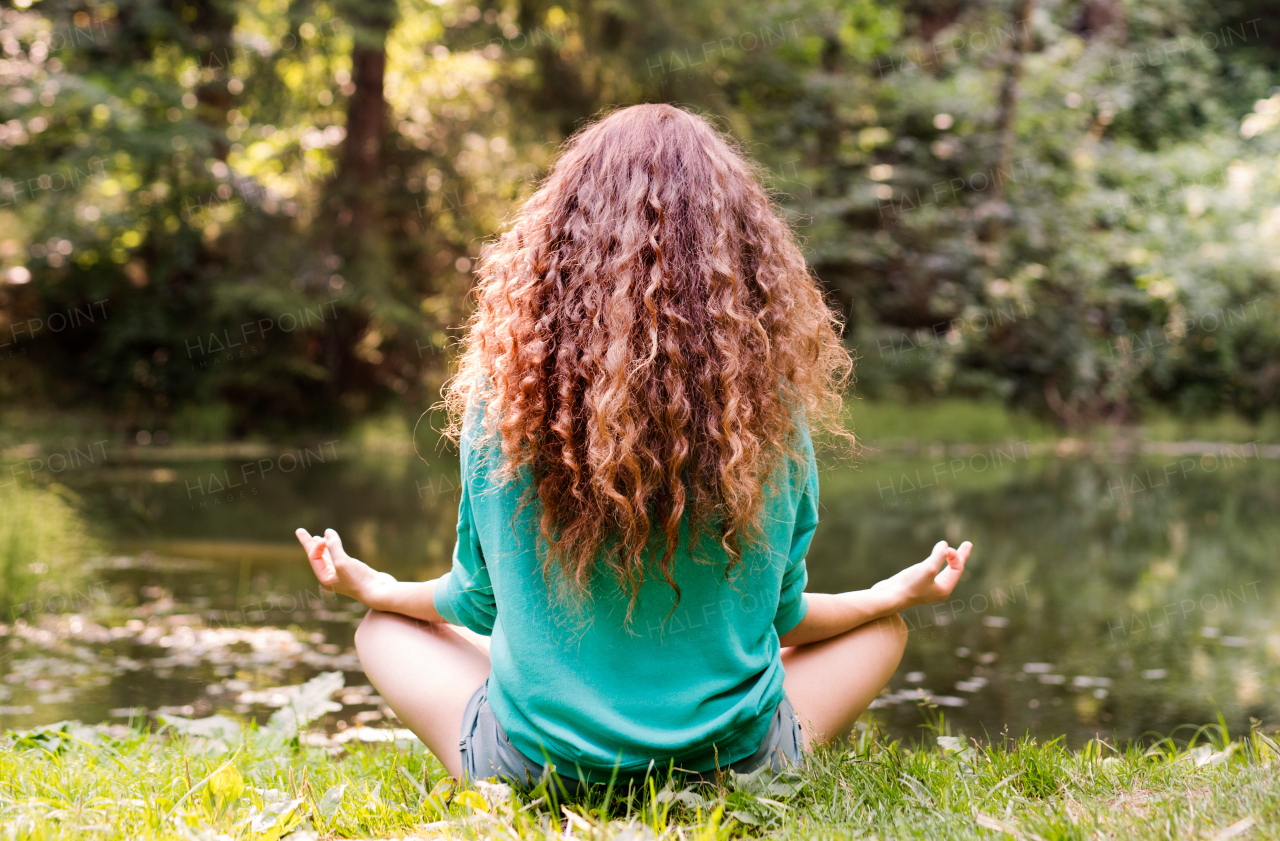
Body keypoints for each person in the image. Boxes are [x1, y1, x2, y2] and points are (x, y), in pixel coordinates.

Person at [297, 103, 971, 791]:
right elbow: (785, 620)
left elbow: (477, 604)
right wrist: (891, 595)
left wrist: (375, 589)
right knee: (884, 631)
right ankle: (730, 764)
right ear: (744, 257)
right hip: (728, 770)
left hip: (542, 770)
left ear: (558, 247)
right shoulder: (773, 418)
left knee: (382, 630)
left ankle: (524, 767)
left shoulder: (505, 407)